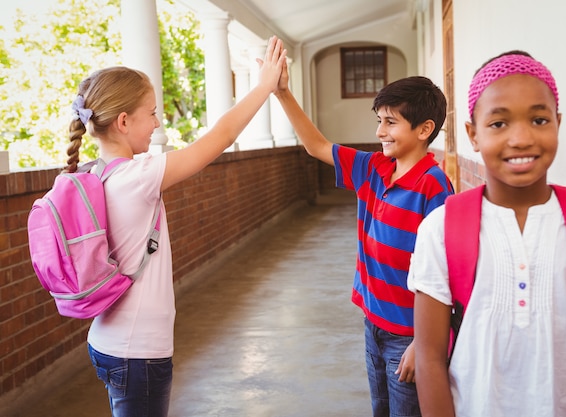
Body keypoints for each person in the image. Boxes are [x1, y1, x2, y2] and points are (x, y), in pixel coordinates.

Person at [65, 36, 287, 417]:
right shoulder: (139, 176)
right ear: (123, 122)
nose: (157, 122)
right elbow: (221, 137)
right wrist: (264, 86)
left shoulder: (92, 174)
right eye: (151, 113)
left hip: (105, 340)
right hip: (138, 352)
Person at [408, 50, 566, 417]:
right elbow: (429, 356)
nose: (522, 138)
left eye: (539, 120)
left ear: (558, 123)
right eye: (499, 124)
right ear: (472, 134)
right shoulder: (440, 229)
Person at [274, 61, 454, 415]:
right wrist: (281, 92)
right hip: (373, 323)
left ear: (424, 129)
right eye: (379, 121)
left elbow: (443, 270)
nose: (380, 132)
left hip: (409, 334)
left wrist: (425, 341)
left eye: (390, 122)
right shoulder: (373, 168)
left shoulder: (434, 186)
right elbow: (315, 145)